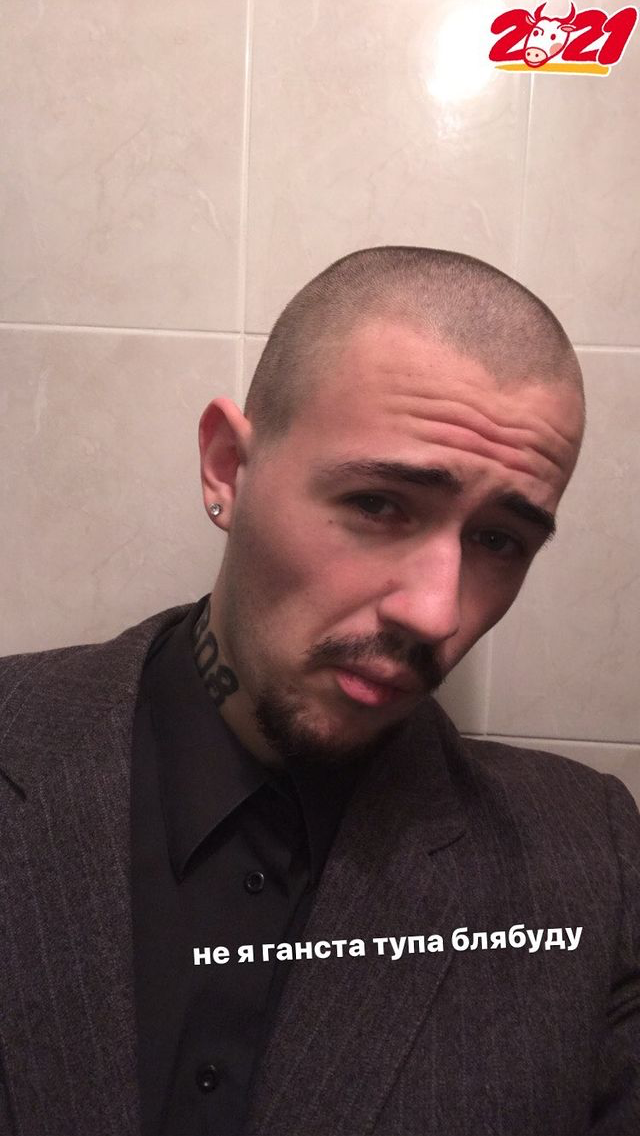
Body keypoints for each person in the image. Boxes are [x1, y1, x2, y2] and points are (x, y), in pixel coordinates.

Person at [1, 246, 638, 1136]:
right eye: (380, 504)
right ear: (228, 467)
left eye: (500, 541)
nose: (435, 612)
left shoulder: (590, 866)